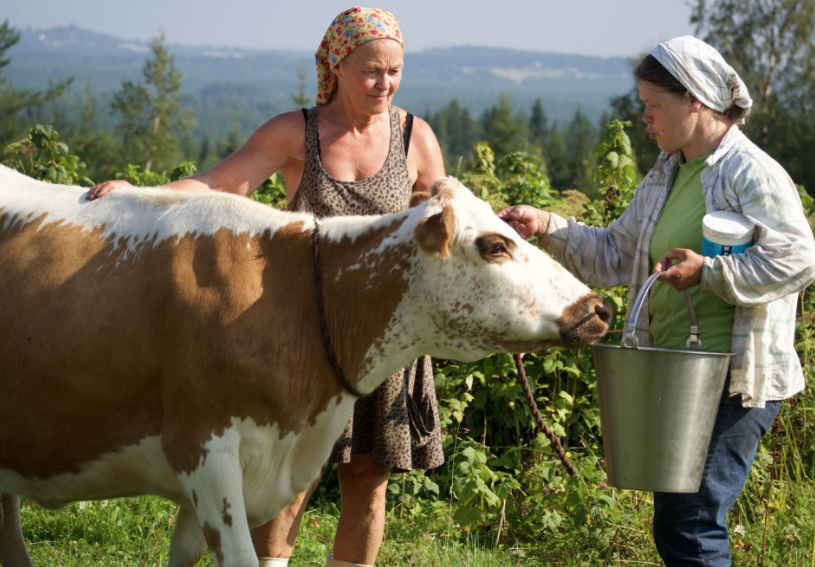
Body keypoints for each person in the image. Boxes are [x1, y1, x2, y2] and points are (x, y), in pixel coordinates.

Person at [88, 7, 446, 567]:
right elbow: (217, 185)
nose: (385, 83)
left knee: (368, 482)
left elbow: (440, 223)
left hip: (382, 341)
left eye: (395, 70)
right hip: (303, 340)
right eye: (371, 71)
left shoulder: (414, 137)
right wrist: (141, 194)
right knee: (286, 483)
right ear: (337, 66)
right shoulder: (295, 132)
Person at [498, 36, 815, 566]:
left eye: (653, 105)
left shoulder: (749, 173)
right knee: (679, 519)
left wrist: (710, 272)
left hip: (736, 379)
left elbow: (799, 259)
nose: (644, 117)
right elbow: (619, 255)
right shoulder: (666, 173)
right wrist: (547, 225)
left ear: (695, 99)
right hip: (683, 375)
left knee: (690, 524)